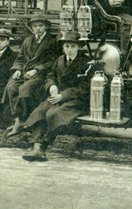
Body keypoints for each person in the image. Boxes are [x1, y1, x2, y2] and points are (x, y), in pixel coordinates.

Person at [7, 30, 90, 161]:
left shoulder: (86, 62)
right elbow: (51, 75)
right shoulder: (60, 60)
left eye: (73, 46)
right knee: (40, 111)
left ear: (79, 47)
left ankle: (43, 145)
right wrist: (52, 86)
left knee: (53, 114)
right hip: (56, 95)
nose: (69, 50)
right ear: (63, 47)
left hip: (75, 100)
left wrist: (63, 96)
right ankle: (36, 146)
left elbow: (85, 87)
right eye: (67, 46)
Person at [3, 14, 61, 137]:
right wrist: (17, 69)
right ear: (31, 28)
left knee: (25, 89)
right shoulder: (27, 41)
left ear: (45, 26)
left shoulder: (52, 42)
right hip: (25, 73)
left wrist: (36, 69)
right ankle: (18, 119)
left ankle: (25, 121)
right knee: (11, 87)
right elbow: (20, 58)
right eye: (35, 26)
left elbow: (53, 62)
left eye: (40, 26)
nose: (38, 28)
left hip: (41, 75)